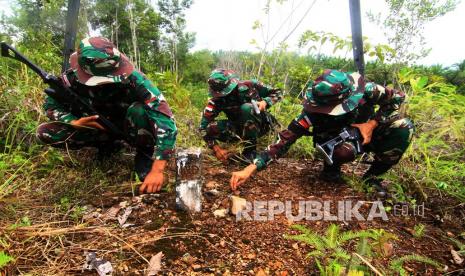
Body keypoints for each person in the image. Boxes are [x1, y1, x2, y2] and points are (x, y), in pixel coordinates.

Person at [230, 69, 414, 197]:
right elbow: (285, 139)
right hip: (337, 142)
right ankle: (331, 168)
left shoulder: (368, 90)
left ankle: (372, 178)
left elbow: (397, 97)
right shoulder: (311, 112)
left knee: (403, 126)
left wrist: (371, 124)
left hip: (369, 131)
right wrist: (251, 168)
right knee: (343, 152)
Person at [36, 37, 177, 194]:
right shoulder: (69, 80)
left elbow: (164, 118)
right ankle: (107, 146)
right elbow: (50, 106)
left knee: (139, 110)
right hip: (97, 127)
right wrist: (73, 121)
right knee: (45, 132)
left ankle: (144, 153)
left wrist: (158, 169)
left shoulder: (134, 78)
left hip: (128, 126)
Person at [199, 69, 282, 162]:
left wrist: (265, 102)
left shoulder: (250, 85)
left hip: (262, 125)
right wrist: (217, 149)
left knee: (246, 108)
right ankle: (243, 143)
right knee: (211, 127)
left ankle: (250, 151)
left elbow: (278, 92)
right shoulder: (215, 100)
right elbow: (202, 128)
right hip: (238, 129)